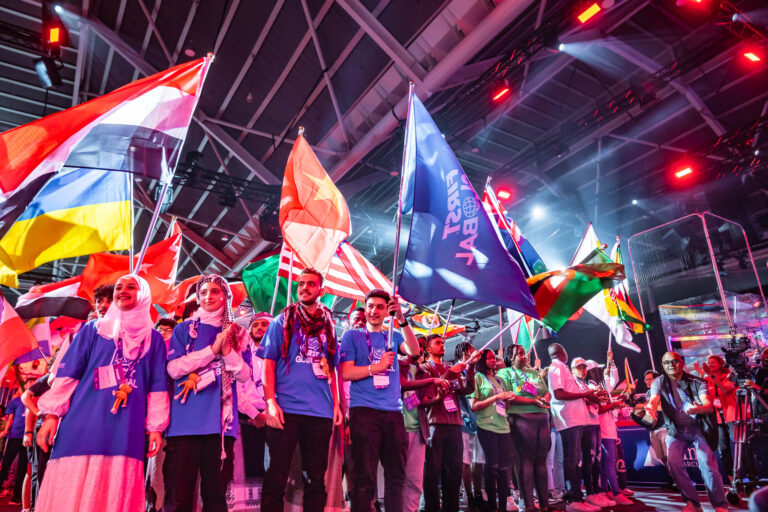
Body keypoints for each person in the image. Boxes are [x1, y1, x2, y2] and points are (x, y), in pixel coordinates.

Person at [34, 274, 169, 512]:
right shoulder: (93, 330)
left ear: (144, 295)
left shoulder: (154, 340)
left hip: (127, 428)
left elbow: (157, 386)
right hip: (83, 422)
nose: (122, 291)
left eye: (131, 287)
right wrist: (51, 416)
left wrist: (156, 428)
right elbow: (69, 374)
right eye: (119, 287)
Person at [163, 275, 252, 512]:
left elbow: (244, 375)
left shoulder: (239, 334)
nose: (208, 296)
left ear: (226, 296)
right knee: (178, 496)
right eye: (203, 292)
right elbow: (173, 369)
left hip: (221, 426)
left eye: (214, 291)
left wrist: (227, 351)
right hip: (184, 423)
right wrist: (212, 351)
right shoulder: (184, 328)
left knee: (215, 497)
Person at [261, 268, 343, 512]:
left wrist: (337, 404)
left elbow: (333, 369)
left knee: (315, 479)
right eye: (301, 284)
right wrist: (270, 402)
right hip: (285, 409)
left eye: (311, 284)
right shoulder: (282, 321)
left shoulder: (329, 325)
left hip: (320, 412)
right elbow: (268, 363)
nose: (304, 288)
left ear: (322, 290)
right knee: (276, 475)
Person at [339, 288, 419, 512]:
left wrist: (402, 318)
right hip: (364, 411)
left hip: (393, 412)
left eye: (380, 307)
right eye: (370, 306)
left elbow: (414, 350)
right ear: (365, 309)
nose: (374, 311)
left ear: (387, 311)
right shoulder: (352, 336)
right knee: (364, 476)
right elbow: (345, 372)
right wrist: (377, 367)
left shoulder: (393, 335)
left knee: (397, 475)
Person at [645, 351, 728, 512]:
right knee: (673, 463)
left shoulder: (697, 381)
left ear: (682, 363)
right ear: (662, 366)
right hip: (675, 431)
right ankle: (692, 503)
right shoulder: (658, 381)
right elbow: (653, 400)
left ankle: (719, 505)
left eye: (675, 361)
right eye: (667, 362)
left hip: (699, 429)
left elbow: (708, 405)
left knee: (707, 465)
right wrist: (650, 409)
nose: (671, 365)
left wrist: (699, 409)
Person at [419, 334, 480, 512]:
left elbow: (466, 389)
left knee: (454, 471)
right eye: (437, 343)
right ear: (428, 349)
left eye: (442, 342)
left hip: (454, 424)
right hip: (434, 424)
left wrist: (471, 367)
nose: (442, 345)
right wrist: (451, 372)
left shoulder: (448, 366)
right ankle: (431, 508)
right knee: (432, 472)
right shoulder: (424, 368)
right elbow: (431, 390)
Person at [547, 343, 604, 512]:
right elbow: (558, 394)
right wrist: (585, 394)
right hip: (568, 420)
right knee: (571, 460)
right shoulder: (557, 367)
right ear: (562, 353)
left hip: (575, 420)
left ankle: (578, 497)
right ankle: (573, 500)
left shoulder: (561, 367)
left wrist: (588, 397)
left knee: (575, 460)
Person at [499, 344, 552, 512]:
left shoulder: (533, 373)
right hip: (520, 418)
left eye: (524, 353)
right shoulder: (504, 373)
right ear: (511, 357)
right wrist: (533, 401)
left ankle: (544, 504)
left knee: (541, 461)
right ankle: (528, 504)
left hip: (542, 417)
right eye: (519, 354)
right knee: (525, 460)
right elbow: (509, 396)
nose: (524, 356)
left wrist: (546, 398)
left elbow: (546, 391)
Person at [400, 336, 448, 512]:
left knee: (415, 478)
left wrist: (438, 397)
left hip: (418, 429)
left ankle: (411, 509)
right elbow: (402, 385)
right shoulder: (398, 366)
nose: (419, 349)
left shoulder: (423, 373)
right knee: (397, 475)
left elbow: (425, 401)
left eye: (421, 346)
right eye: (416, 345)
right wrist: (431, 381)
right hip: (398, 427)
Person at [469, 348, 513, 511]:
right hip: (486, 426)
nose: (493, 360)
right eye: (489, 358)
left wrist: (508, 398)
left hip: (504, 426)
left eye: (494, 358)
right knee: (492, 465)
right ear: (482, 360)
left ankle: (503, 506)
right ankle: (492, 505)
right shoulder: (477, 378)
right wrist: (496, 397)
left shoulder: (500, 380)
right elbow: (473, 406)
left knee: (504, 468)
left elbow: (506, 406)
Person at [585, 359, 633, 507]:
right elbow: (598, 409)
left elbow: (607, 404)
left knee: (608, 462)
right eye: (597, 370)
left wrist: (618, 401)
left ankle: (608, 492)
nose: (600, 372)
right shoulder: (591, 387)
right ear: (592, 372)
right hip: (602, 428)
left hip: (609, 428)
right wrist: (614, 405)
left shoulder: (600, 386)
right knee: (608, 462)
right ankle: (616, 493)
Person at [572, 358, 615, 508]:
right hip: (585, 424)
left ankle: (597, 492)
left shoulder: (584, 384)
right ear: (572, 370)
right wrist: (594, 397)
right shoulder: (574, 384)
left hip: (594, 422)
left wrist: (598, 397)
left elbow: (592, 402)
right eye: (579, 368)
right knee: (589, 459)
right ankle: (590, 493)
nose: (583, 370)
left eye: (584, 368)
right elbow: (578, 402)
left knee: (596, 459)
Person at [238, 312, 271, 479]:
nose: (259, 328)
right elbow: (237, 389)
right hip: (249, 418)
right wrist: (255, 415)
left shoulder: (281, 356)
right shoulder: (242, 354)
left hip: (275, 415)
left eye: (264, 324)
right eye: (255, 325)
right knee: (252, 468)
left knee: (278, 467)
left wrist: (268, 413)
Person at [455, 342, 484, 509]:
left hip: (478, 421)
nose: (474, 352)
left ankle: (477, 493)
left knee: (478, 461)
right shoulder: (456, 370)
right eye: (470, 350)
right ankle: (469, 495)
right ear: (463, 352)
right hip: (462, 421)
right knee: (465, 461)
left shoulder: (476, 373)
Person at [701, 354, 737, 481]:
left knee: (739, 447)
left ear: (720, 363)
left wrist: (711, 376)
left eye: (712, 362)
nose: (710, 364)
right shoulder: (706, 380)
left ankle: (749, 478)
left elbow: (725, 389)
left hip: (732, 415)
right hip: (717, 418)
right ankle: (732, 480)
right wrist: (703, 375)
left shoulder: (729, 376)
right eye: (708, 362)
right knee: (724, 449)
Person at [0, 385, 29, 505]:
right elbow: (10, 418)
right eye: (28, 384)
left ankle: (16, 496)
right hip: (14, 436)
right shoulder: (16, 401)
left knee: (22, 467)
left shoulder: (36, 400)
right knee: (5, 464)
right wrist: (6, 430)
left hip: (27, 438)